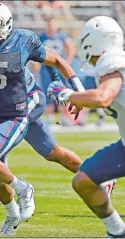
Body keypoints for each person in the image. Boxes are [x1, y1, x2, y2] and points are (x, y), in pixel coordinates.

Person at [0, 1, 87, 235]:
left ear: (7, 25)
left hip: (19, 109)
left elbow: (56, 60)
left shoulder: (22, 40)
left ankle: (24, 189)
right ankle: (12, 214)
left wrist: (78, 91)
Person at [0, 20, 116, 211]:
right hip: (5, 109)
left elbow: (51, 58)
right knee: (51, 152)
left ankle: (11, 184)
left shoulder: (14, 44)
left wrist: (61, 82)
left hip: (28, 101)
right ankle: (99, 178)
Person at [47, 16, 125, 237]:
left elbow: (103, 97)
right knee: (84, 180)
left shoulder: (112, 61)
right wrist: (79, 99)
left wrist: (68, 94)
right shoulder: (114, 62)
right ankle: (117, 231)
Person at [37, 17, 76, 125]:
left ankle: (63, 117)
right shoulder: (41, 37)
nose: (51, 26)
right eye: (49, 24)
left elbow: (71, 49)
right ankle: (50, 118)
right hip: (45, 68)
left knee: (61, 92)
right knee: (47, 91)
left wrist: (66, 62)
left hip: (58, 68)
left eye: (53, 24)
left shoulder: (62, 37)